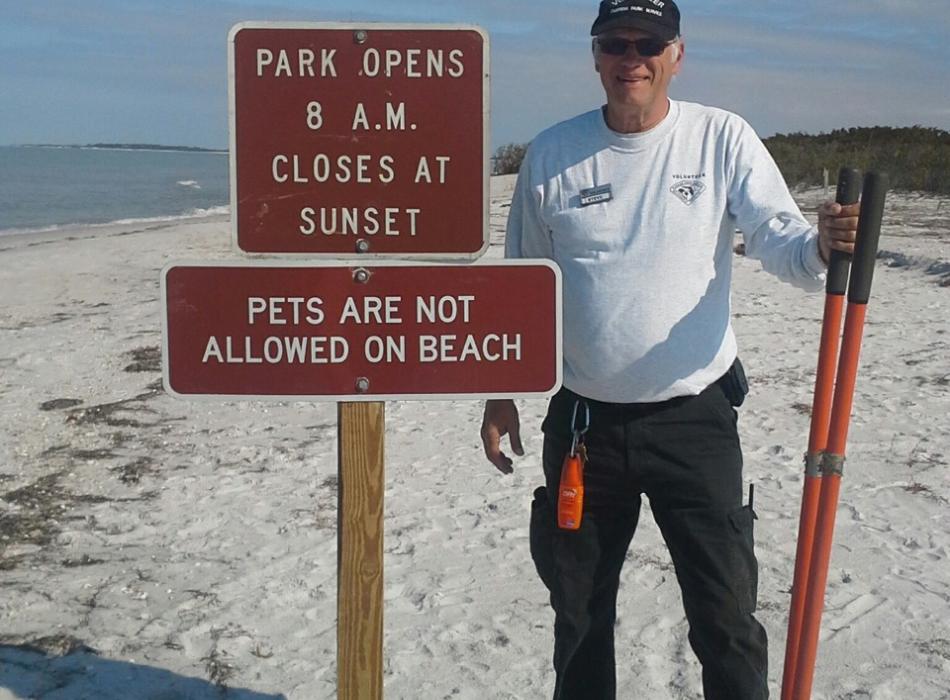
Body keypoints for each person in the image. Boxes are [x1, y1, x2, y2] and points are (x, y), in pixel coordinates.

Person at [479, 1, 861, 698]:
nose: (633, 57)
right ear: (595, 56)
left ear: (675, 55)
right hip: (585, 425)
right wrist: (501, 390)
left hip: (697, 421)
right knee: (580, 617)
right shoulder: (552, 155)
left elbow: (782, 241)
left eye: (648, 43)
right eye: (616, 43)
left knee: (724, 617)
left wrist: (819, 247)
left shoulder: (721, 138)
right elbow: (521, 291)